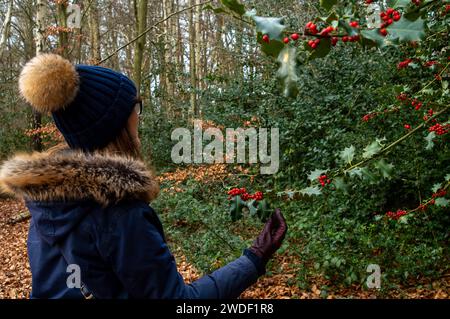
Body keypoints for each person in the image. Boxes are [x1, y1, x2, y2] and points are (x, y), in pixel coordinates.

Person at [0, 54, 287, 299]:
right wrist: (254, 259)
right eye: (135, 106)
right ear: (114, 124)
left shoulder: (47, 201)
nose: (138, 115)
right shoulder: (120, 215)